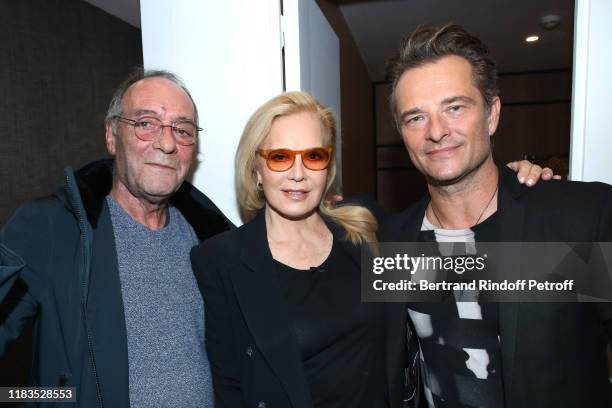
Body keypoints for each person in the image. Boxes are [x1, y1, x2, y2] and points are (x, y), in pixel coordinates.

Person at [190, 90, 552, 408]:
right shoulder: (222, 259)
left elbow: (468, 273)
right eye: (280, 157)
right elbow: (229, 385)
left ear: (327, 167)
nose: (298, 173)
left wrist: (509, 189)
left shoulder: (366, 230)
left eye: (313, 156)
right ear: (256, 168)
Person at [381, 24, 612, 408]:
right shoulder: (392, 241)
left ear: (492, 115)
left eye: (455, 107)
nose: (436, 132)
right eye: (415, 118)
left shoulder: (580, 218)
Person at [0, 69, 233, 407]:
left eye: (182, 130)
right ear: (112, 135)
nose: (166, 143)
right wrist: (50, 399)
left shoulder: (213, 240)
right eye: (146, 123)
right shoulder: (53, 227)